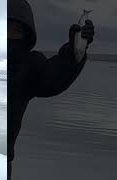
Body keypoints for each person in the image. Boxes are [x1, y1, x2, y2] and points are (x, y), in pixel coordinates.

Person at [9, 0, 95, 177]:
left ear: (26, 36)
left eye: (16, 30)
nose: (8, 35)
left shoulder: (29, 67)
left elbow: (54, 76)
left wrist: (74, 51)